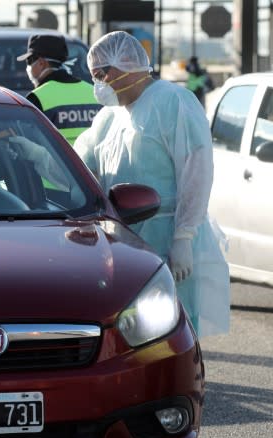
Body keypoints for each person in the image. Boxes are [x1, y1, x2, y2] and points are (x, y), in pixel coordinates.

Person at [72, 31, 229, 339]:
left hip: (167, 235)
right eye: (94, 76)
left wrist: (184, 235)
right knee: (130, 333)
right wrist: (37, 153)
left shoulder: (173, 102)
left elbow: (196, 171)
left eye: (102, 74)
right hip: (121, 241)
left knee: (171, 328)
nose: (98, 84)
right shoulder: (109, 117)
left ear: (125, 65)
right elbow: (81, 165)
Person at [19, 34, 100, 145]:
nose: (28, 66)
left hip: (57, 162)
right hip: (94, 162)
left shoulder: (37, 98)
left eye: (29, 61)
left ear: (42, 63)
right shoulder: (94, 92)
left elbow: (28, 141)